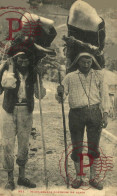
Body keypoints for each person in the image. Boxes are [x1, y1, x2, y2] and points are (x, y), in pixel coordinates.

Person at [0, 52, 46, 190]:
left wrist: (40, 77)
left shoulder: (33, 73)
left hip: (26, 110)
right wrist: (9, 67)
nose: (23, 61)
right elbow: (1, 84)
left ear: (30, 60)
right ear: (16, 59)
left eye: (26, 58)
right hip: (9, 109)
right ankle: (10, 179)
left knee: (24, 143)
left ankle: (21, 176)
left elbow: (40, 95)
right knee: (7, 143)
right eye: (20, 58)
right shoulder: (9, 70)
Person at [56, 52, 109, 190]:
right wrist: (59, 92)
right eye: (83, 62)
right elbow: (61, 98)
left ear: (92, 62)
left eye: (89, 62)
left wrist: (105, 114)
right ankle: (79, 177)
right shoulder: (69, 77)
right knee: (77, 146)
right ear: (78, 62)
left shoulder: (98, 76)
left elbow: (104, 96)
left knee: (93, 146)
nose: (86, 65)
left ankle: (93, 177)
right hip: (76, 114)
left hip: (94, 113)